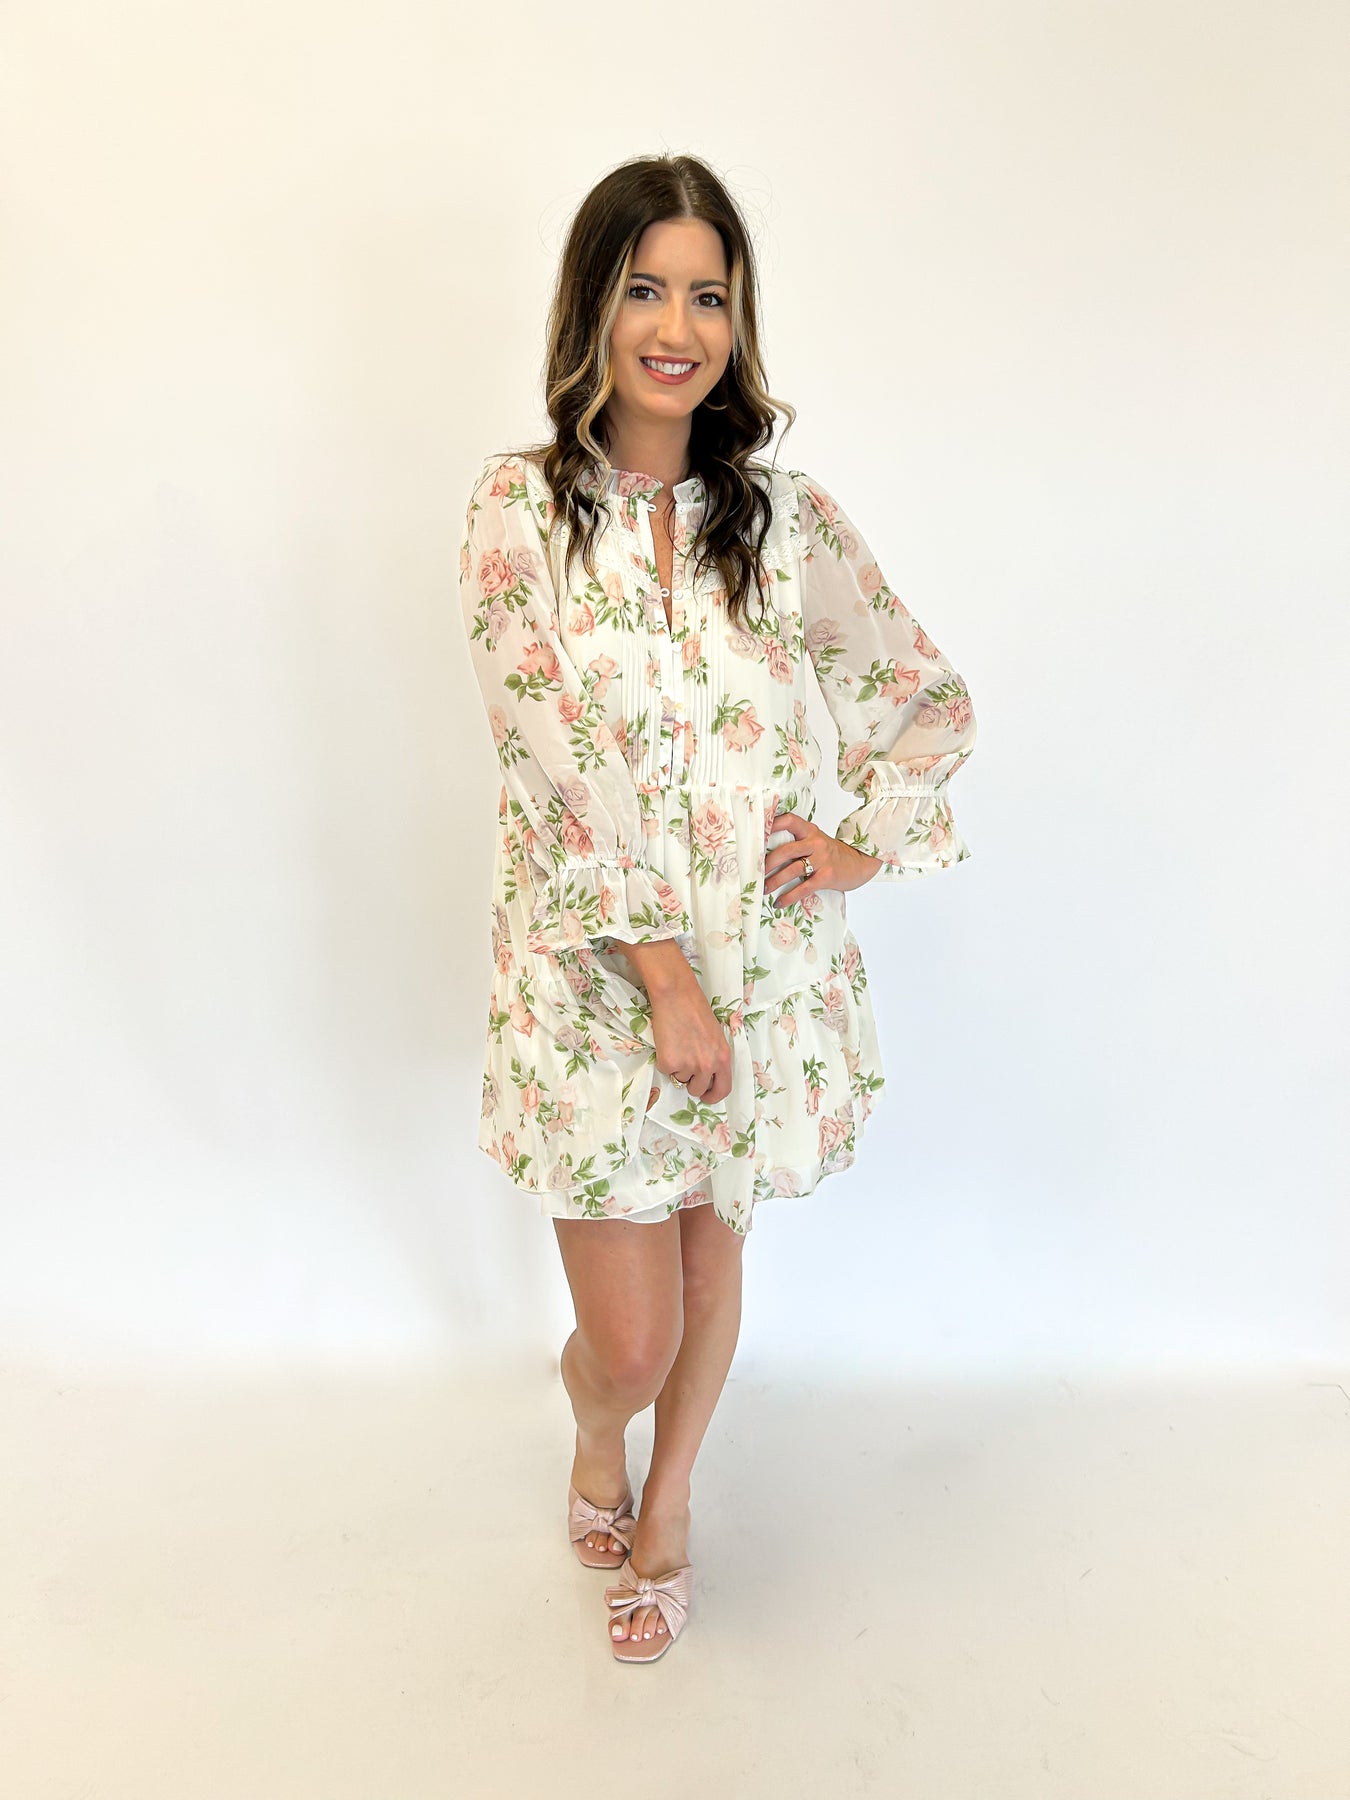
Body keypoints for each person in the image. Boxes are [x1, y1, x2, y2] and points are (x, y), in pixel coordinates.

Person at [457, 153, 977, 1663]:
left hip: (756, 964)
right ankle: (598, 1431)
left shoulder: (785, 520)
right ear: (592, 308)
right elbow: (550, 757)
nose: (675, 327)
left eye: (707, 295)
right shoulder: (517, 513)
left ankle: (669, 1504)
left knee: (706, 1264)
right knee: (630, 1339)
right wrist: (663, 977)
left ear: (736, 322)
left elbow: (920, 696)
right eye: (643, 289)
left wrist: (856, 844)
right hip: (598, 975)